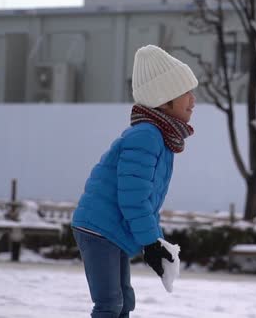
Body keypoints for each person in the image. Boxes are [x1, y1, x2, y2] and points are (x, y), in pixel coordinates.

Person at [71, 44, 197, 317]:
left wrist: (156, 241)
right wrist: (150, 243)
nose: (193, 100)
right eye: (186, 92)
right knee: (109, 303)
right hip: (98, 228)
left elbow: (147, 202)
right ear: (164, 100)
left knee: (124, 301)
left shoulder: (158, 137)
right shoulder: (146, 136)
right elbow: (133, 198)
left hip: (109, 229)